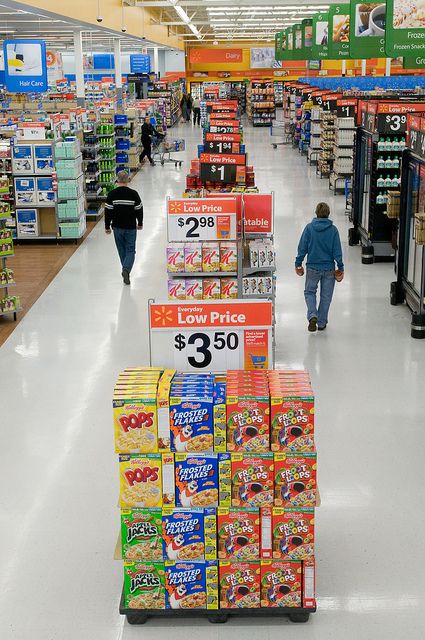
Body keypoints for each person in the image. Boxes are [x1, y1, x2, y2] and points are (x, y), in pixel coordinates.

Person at [295, 202, 344, 332]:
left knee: (310, 292)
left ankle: (312, 315)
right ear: (328, 214)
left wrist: (298, 264)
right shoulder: (333, 230)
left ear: (316, 213)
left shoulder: (309, 228)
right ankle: (321, 323)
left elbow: (302, 247)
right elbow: (337, 251)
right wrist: (341, 267)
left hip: (312, 267)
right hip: (329, 268)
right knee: (326, 296)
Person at [105, 171, 143, 285]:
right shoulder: (134, 194)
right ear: (128, 180)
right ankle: (126, 270)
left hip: (117, 227)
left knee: (122, 250)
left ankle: (125, 270)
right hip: (131, 227)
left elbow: (108, 212)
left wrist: (107, 226)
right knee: (130, 250)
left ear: (117, 180)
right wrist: (140, 223)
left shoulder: (112, 194)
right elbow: (139, 210)